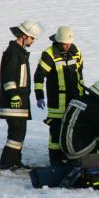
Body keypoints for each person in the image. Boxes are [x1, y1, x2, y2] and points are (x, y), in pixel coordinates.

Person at [33, 26, 84, 165]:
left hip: (74, 99)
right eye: (64, 44)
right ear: (58, 41)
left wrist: (82, 95)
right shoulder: (49, 54)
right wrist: (39, 95)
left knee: (73, 129)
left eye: (68, 43)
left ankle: (69, 156)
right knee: (56, 130)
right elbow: (39, 76)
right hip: (57, 101)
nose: (67, 46)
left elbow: (80, 75)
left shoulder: (76, 52)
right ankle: (55, 160)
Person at [0, 20, 42, 170]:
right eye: (32, 38)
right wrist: (13, 95)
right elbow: (8, 76)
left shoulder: (20, 52)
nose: (33, 41)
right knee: (16, 133)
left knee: (19, 133)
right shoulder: (14, 52)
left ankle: (15, 161)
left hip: (20, 101)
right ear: (24, 36)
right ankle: (6, 163)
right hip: (14, 102)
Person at [60, 80, 99, 162]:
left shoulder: (77, 99)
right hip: (77, 150)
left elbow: (86, 119)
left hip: (64, 148)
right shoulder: (95, 109)